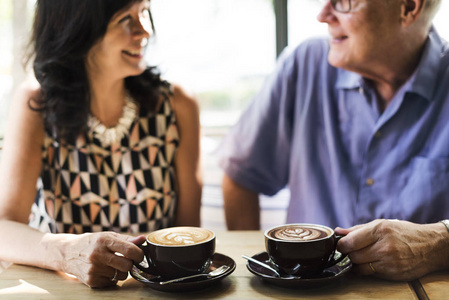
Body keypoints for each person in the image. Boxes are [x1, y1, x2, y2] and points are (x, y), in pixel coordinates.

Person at [219, 0, 449, 280]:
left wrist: (439, 244)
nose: (322, 15)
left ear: (408, 8)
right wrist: (266, 278)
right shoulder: (304, 63)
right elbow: (241, 177)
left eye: (345, 2)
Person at [0, 0, 202, 288]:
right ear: (77, 26)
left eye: (143, 12)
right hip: (68, 292)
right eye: (125, 19)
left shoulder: (177, 106)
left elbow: (189, 234)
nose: (144, 31)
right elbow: (3, 229)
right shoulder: (37, 104)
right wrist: (69, 254)